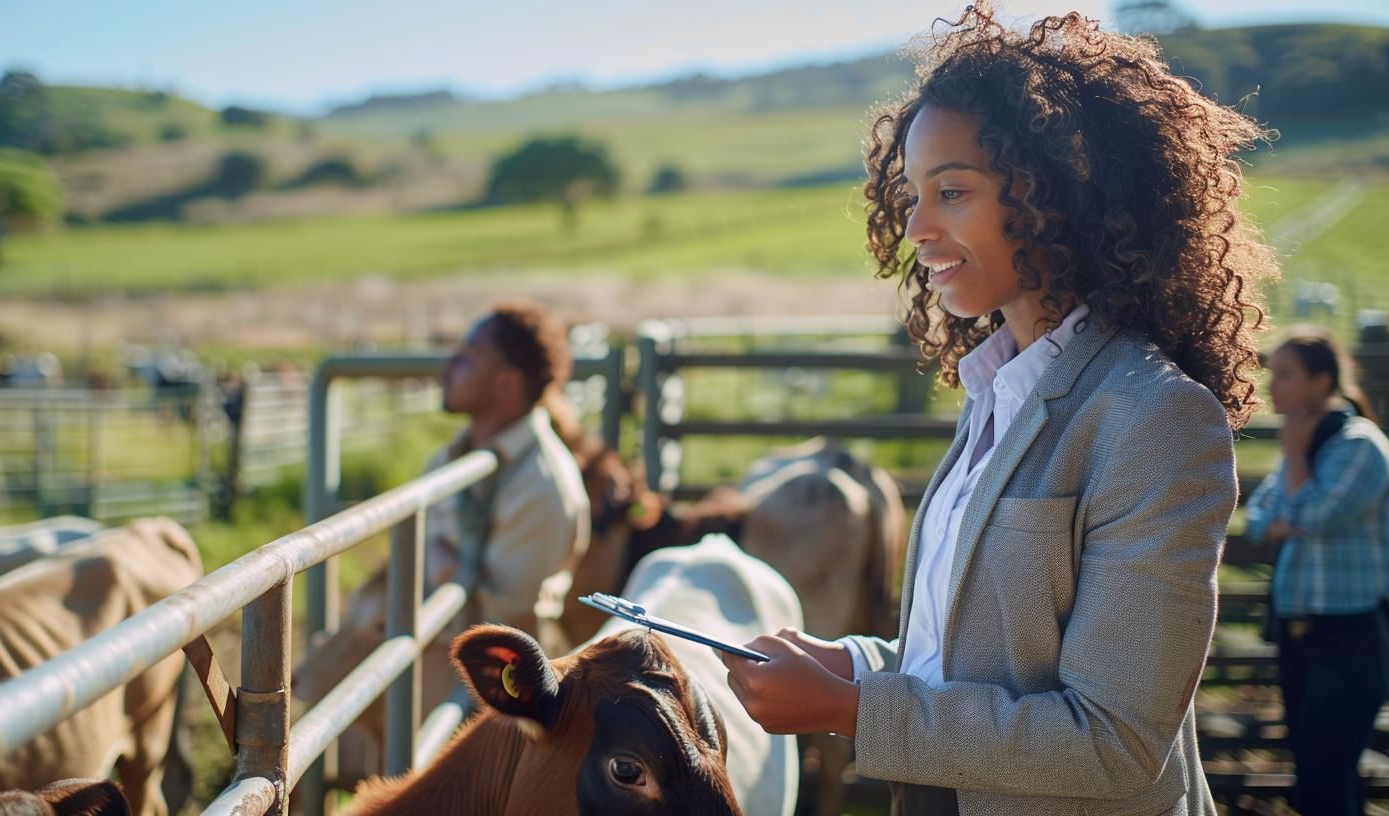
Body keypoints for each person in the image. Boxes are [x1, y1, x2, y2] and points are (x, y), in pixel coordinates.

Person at [717, 4, 1278, 814]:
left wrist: (852, 710)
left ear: (1059, 194)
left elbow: (1114, 742)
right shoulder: (996, 396)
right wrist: (855, 667)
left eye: (951, 191)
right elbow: (975, 663)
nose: (916, 227)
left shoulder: (1154, 421)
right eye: (911, 194)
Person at [1246, 327, 1389, 816]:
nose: (1272, 387)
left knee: (1327, 783)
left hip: (1347, 636)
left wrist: (1296, 459)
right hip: (1299, 634)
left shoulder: (1361, 445)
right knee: (1315, 777)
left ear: (1321, 380)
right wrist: (1294, 478)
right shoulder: (1297, 446)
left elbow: (1315, 517)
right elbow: (1261, 522)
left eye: (1285, 375)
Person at [423, 300, 590, 637]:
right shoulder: (452, 456)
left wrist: (442, 572)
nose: (451, 362)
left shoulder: (543, 486)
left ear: (506, 384)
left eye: (468, 354)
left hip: (489, 677)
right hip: (434, 649)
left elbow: (507, 623)